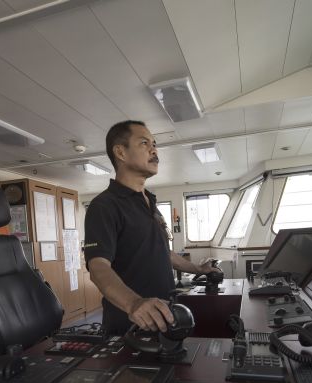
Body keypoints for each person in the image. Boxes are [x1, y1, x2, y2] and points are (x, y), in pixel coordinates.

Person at [84, 120, 220, 335]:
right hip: (131, 324)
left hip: (165, 314)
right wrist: (133, 303)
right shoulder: (104, 205)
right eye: (144, 143)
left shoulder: (150, 202)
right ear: (120, 152)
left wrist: (198, 269)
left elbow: (163, 252)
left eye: (154, 144)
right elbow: (98, 267)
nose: (154, 150)